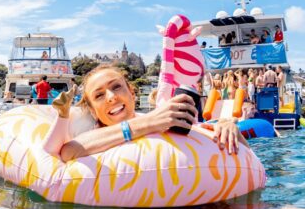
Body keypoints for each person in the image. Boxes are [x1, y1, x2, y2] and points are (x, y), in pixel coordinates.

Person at [42, 65, 245, 160]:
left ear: (132, 93)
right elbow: (69, 152)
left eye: (117, 87)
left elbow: (243, 151)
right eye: (99, 95)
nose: (111, 96)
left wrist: (225, 126)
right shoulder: (90, 133)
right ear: (93, 110)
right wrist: (148, 123)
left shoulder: (164, 120)